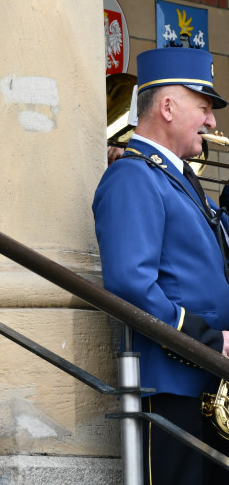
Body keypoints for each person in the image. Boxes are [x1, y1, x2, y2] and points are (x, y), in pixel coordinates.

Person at [93, 47, 229, 485]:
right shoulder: (133, 176)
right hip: (171, 387)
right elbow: (130, 283)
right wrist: (209, 341)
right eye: (204, 108)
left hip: (207, 386)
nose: (212, 122)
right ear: (167, 107)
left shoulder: (183, 185)